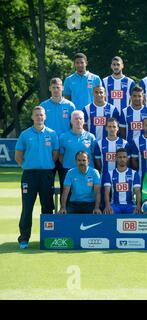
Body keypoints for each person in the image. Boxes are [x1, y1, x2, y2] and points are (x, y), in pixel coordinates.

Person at [15, 106, 59, 249]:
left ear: (45, 117)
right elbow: (18, 156)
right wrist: (29, 165)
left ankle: (47, 237)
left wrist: (45, 165)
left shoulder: (52, 134)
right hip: (29, 175)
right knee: (27, 207)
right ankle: (24, 238)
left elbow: (55, 154)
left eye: (41, 115)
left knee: (47, 206)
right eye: (36, 115)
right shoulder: (25, 134)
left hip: (46, 174)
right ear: (32, 117)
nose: (39, 117)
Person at [40, 77, 75, 187]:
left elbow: (74, 126)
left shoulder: (70, 106)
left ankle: (64, 205)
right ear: (50, 88)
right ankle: (48, 205)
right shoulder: (43, 106)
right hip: (48, 149)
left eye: (58, 87)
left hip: (65, 150)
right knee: (46, 185)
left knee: (66, 184)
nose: (56, 90)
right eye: (54, 87)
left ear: (62, 88)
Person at [59, 110, 96, 184]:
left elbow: (93, 154)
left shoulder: (91, 137)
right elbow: (60, 155)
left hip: (87, 171)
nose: (78, 121)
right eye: (76, 119)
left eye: (80, 118)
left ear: (84, 121)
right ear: (71, 121)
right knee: (68, 194)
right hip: (69, 170)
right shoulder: (63, 137)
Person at [103, 148, 141, 214]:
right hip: (115, 205)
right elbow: (106, 192)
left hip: (130, 205)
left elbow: (137, 191)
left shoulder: (134, 173)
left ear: (127, 158)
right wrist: (107, 206)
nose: (122, 159)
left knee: (137, 212)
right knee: (108, 212)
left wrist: (138, 205)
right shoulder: (109, 174)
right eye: (120, 157)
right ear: (116, 158)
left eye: (124, 157)